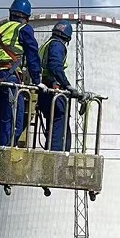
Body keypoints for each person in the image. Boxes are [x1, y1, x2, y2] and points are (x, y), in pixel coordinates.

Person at [0, 0, 42, 147]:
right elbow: (32, 54)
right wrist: (37, 81)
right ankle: (6, 151)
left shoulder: (0, 30)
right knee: (13, 117)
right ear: (27, 18)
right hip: (8, 77)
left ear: (11, 13)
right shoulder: (23, 29)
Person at [36, 20, 81, 151]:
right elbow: (55, 67)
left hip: (45, 90)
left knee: (54, 126)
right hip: (52, 90)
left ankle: (53, 154)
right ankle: (56, 159)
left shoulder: (47, 44)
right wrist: (67, 85)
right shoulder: (57, 45)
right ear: (67, 37)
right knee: (59, 125)